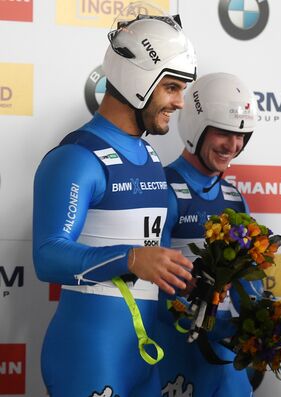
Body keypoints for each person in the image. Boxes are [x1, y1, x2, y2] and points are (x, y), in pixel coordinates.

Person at [32, 12, 196, 397]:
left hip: (142, 356)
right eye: (172, 88)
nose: (180, 102)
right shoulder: (76, 157)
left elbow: (154, 256)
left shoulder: (150, 157)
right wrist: (131, 258)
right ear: (138, 81)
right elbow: (46, 256)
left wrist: (187, 279)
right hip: (88, 354)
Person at [156, 72, 261, 397]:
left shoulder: (233, 197)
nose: (233, 146)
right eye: (224, 133)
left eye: (241, 135)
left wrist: (259, 324)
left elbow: (248, 279)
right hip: (173, 348)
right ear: (195, 127)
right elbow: (150, 283)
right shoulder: (163, 188)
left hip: (225, 353)